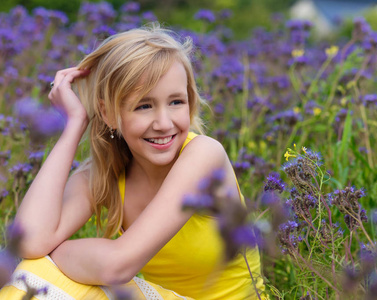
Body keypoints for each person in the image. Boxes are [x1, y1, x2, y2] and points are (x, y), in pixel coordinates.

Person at [0, 24, 265, 299]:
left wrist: (55, 254)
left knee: (39, 271)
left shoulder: (204, 155)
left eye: (176, 102)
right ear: (108, 113)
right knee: (31, 271)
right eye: (144, 106)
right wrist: (74, 124)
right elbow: (29, 241)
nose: (164, 123)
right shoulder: (106, 170)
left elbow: (117, 266)